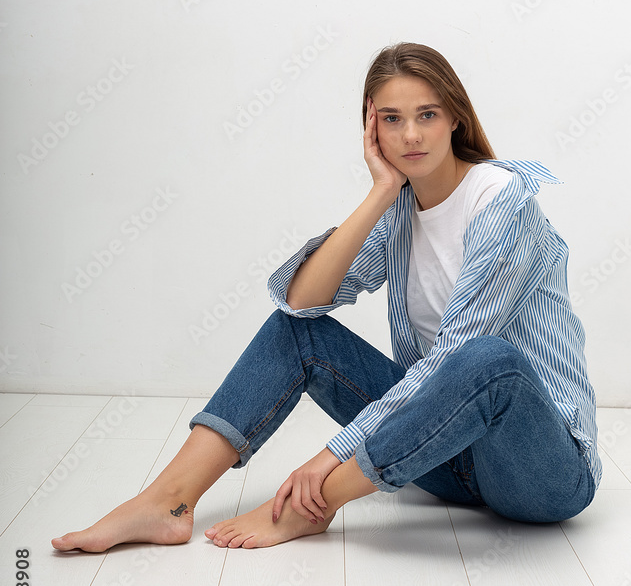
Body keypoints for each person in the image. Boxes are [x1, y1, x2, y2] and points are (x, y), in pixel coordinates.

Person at [52, 42, 600, 554]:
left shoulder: (502, 203)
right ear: (372, 130)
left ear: (456, 117)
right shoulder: (402, 213)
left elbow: (453, 364)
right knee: (299, 334)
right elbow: (300, 303)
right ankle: (167, 501)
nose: (411, 135)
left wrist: (332, 456)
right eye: (392, 120)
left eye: (427, 115)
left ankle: (312, 507)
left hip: (541, 472)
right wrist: (381, 193)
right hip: (450, 462)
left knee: (486, 359)